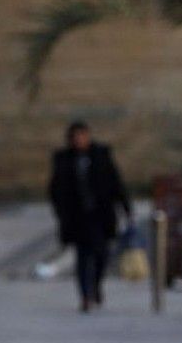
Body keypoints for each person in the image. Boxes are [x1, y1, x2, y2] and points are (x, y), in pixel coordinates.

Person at [49, 121, 132, 312]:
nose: (79, 140)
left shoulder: (101, 155)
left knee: (102, 253)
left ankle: (96, 285)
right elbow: (56, 188)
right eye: (76, 136)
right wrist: (60, 211)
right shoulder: (63, 159)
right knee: (82, 256)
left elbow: (115, 182)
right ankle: (85, 295)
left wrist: (125, 208)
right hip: (77, 217)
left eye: (82, 135)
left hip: (100, 215)